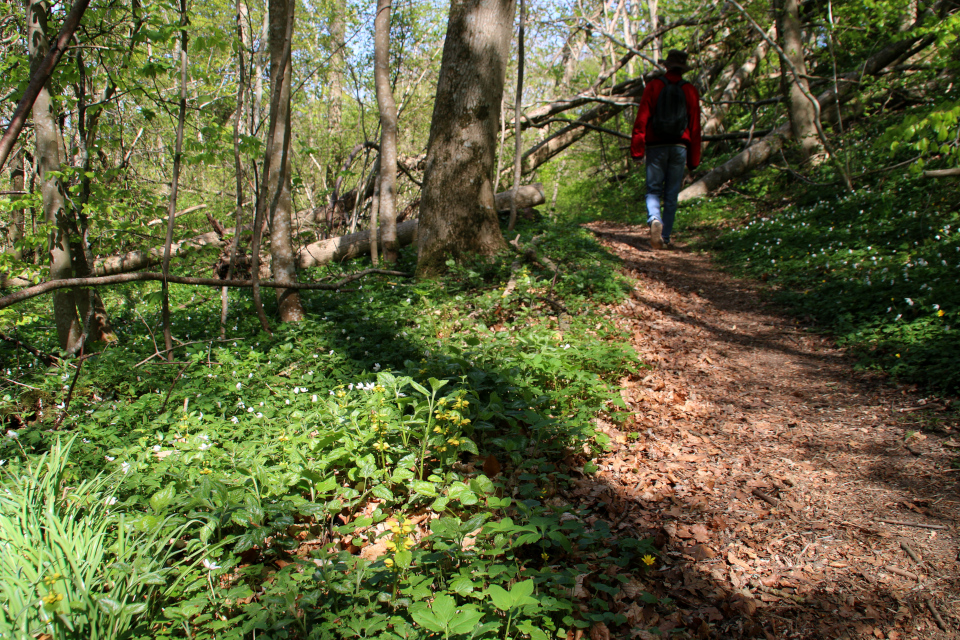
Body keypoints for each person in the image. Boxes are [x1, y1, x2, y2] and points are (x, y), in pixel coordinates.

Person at [630, 49, 701, 249]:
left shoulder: (654, 86)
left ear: (666, 66)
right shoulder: (690, 90)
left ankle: (654, 219)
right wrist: (693, 161)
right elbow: (695, 127)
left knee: (653, 189)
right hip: (679, 147)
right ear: (683, 68)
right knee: (671, 194)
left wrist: (637, 151)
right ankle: (665, 237)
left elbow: (642, 119)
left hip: (656, 146)